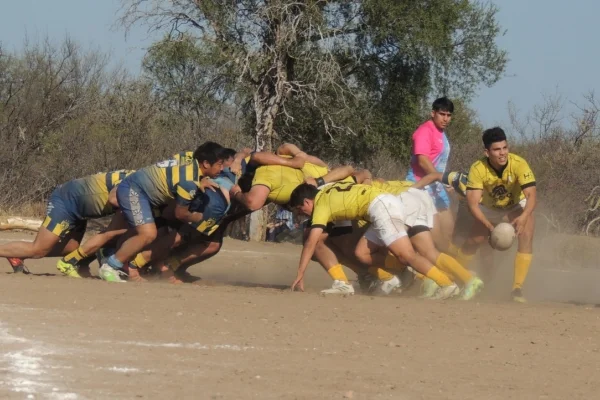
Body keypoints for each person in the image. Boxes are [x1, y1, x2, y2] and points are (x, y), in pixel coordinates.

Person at [288, 182, 461, 299]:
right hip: (383, 205)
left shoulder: (321, 204)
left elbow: (312, 241)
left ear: (307, 201)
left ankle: (446, 283)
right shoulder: (328, 190)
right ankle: (396, 274)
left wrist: (300, 273)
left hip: (382, 208)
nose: (302, 213)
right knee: (361, 253)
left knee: (406, 255)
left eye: (300, 209)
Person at [98, 142, 227, 282]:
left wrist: (201, 180)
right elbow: (180, 213)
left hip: (139, 191)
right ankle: (110, 266)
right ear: (206, 163)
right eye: (220, 164)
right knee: (148, 233)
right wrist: (197, 217)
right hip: (133, 190)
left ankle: (122, 262)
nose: (222, 168)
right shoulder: (188, 181)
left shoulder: (190, 166)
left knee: (153, 232)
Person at [0, 170, 133, 275]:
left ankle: (17, 254)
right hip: (65, 201)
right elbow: (114, 199)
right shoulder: (136, 180)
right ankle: (10, 252)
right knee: (38, 249)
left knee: (71, 249)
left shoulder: (141, 178)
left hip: (80, 209)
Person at [462, 127, 537, 303]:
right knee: (474, 241)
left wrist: (524, 216)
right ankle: (458, 275)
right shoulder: (478, 168)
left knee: (527, 233)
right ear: (487, 152)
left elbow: (532, 196)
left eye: (504, 148)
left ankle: (517, 289)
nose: (502, 153)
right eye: (497, 150)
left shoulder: (519, 163)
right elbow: (472, 204)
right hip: (489, 208)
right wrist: (489, 226)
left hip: (515, 205)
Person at [406, 97, 455, 251]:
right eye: (442, 114)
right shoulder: (424, 131)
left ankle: (449, 264)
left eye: (448, 115)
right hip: (420, 186)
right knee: (435, 237)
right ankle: (425, 271)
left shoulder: (441, 132)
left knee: (448, 229)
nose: (445, 119)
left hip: (436, 188)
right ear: (433, 113)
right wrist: (442, 179)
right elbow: (422, 160)